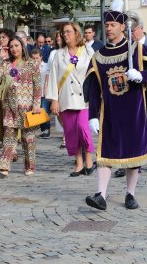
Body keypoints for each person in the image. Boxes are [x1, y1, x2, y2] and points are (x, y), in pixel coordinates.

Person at [84, 0, 147, 210]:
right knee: (105, 153)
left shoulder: (137, 49)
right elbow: (93, 89)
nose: (109, 29)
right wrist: (92, 115)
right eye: (107, 25)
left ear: (122, 26)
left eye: (112, 25)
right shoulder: (99, 56)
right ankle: (100, 195)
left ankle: (130, 193)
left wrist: (139, 75)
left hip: (133, 110)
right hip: (109, 111)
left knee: (133, 152)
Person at [114, 11, 147, 178]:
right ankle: (128, 162)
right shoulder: (127, 47)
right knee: (131, 128)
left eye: (133, 29)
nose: (130, 33)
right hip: (131, 95)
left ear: (140, 28)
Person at [46, 22, 95, 177]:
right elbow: (53, 77)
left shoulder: (87, 51)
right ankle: (79, 164)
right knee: (71, 132)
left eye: (68, 31)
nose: (65, 35)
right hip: (65, 98)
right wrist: (54, 100)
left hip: (84, 98)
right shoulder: (58, 54)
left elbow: (94, 74)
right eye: (63, 32)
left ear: (76, 33)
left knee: (83, 128)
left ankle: (89, 160)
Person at [0, 36, 41, 176]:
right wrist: (0, 58)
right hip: (9, 106)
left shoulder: (32, 64)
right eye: (11, 46)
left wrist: (36, 104)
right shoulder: (6, 63)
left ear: (22, 47)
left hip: (28, 106)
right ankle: (5, 164)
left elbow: (37, 86)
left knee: (28, 138)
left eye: (16, 46)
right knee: (8, 137)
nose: (14, 49)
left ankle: (30, 166)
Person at [30, 49, 50, 139]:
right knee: (37, 112)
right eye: (33, 58)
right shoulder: (29, 67)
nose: (35, 60)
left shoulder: (46, 66)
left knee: (44, 111)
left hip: (44, 92)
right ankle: (42, 130)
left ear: (41, 57)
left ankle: (47, 129)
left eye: (37, 58)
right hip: (33, 93)